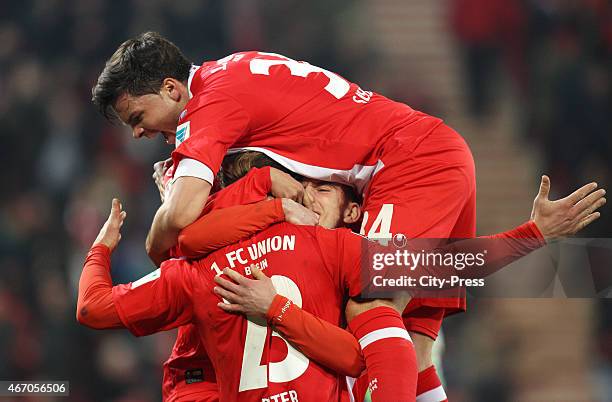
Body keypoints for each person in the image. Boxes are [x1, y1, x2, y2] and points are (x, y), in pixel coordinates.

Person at [91, 32, 606, 401]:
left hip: (407, 162)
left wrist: (158, 238)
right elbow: (455, 264)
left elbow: (177, 221)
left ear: (171, 89)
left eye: (137, 118)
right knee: (413, 343)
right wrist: (532, 235)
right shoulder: (235, 68)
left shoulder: (209, 105)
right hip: (428, 152)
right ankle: (581, 267)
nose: (137, 134)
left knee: (370, 306)